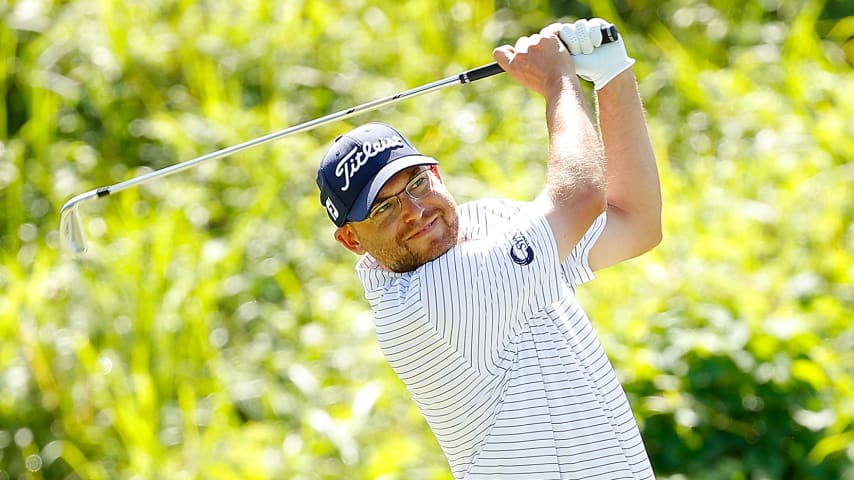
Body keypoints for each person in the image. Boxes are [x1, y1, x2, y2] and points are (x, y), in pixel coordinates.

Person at [315, 18, 661, 480]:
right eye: (383, 208)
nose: (415, 211)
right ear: (352, 240)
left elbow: (637, 223)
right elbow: (579, 198)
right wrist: (558, 80)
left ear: (436, 173)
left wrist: (611, 73)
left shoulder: (487, 226)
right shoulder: (426, 302)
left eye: (417, 183)